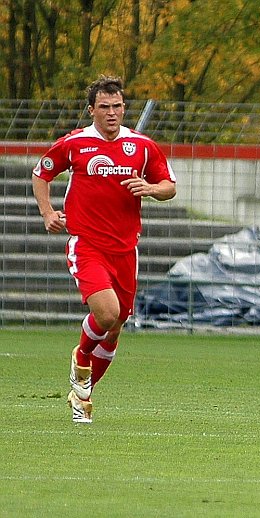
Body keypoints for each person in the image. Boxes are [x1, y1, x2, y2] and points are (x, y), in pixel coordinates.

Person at [32, 75, 177, 423]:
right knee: (108, 313)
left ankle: (82, 397)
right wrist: (49, 212)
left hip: (127, 248)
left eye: (117, 106)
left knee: (116, 325)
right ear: (92, 109)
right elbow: (41, 173)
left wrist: (151, 189)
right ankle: (81, 358)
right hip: (87, 244)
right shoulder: (75, 144)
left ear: (124, 108)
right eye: (104, 107)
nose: (112, 113)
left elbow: (169, 186)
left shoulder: (142, 146)